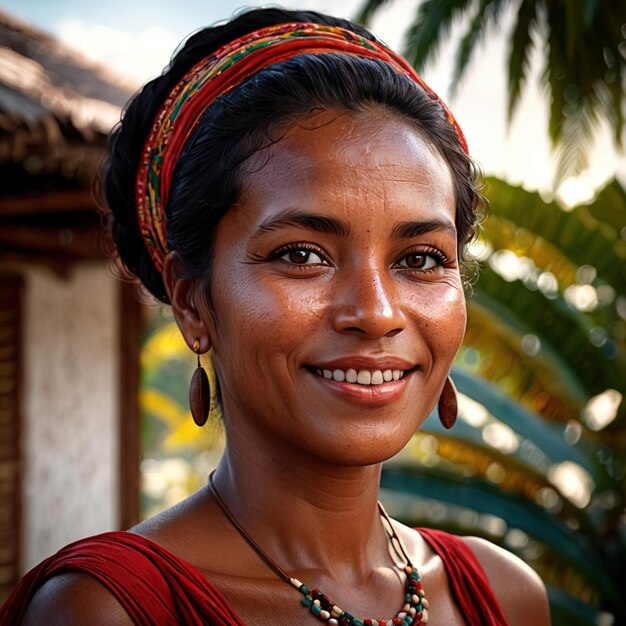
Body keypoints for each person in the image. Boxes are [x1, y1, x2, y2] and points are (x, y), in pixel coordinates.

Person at [1, 7, 550, 625]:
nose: (375, 312)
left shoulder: (503, 597)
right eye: (302, 255)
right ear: (192, 302)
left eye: (421, 258)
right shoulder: (108, 610)